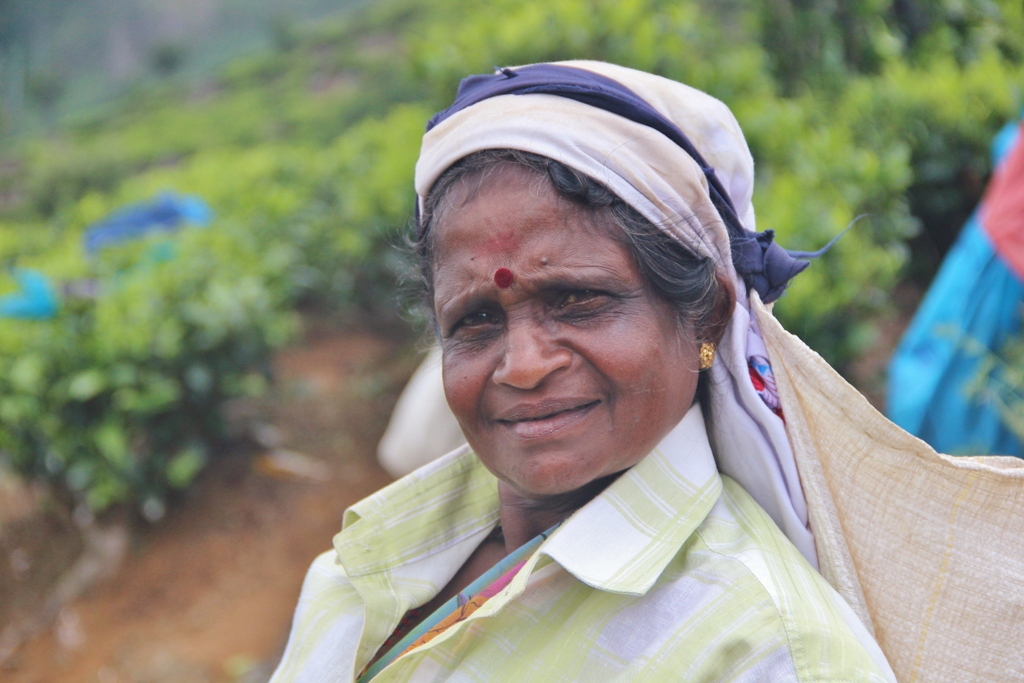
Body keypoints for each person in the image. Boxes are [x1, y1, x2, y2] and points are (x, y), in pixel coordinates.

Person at [270, 61, 901, 682]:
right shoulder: (374, 556)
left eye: (576, 301)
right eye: (477, 320)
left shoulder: (769, 655)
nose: (523, 366)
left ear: (706, 317)